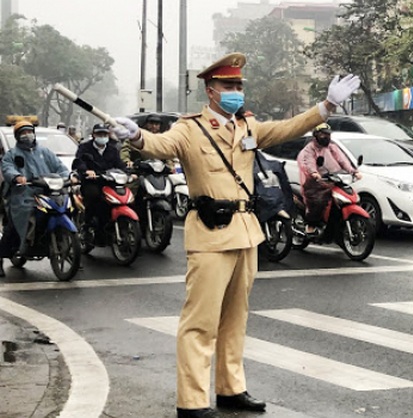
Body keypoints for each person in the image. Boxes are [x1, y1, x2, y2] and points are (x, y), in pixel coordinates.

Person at [110, 52, 360, 418]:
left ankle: (231, 388)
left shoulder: (247, 126)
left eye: (240, 85)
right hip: (211, 235)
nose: (236, 91)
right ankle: (192, 402)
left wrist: (326, 106)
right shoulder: (190, 128)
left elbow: (289, 127)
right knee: (200, 321)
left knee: (235, 319)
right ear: (211, 91)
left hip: (246, 232)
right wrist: (136, 136)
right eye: (229, 85)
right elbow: (161, 146)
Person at [0, 121, 71, 277]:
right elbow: (7, 168)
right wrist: (17, 177)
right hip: (23, 194)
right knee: (15, 224)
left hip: (47, 192)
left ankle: (69, 252)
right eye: (23, 133)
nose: (27, 135)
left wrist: (68, 177)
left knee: (67, 208)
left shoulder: (45, 152)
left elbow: (60, 167)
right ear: (18, 136)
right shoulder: (12, 154)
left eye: (29, 132)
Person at [297, 123, 361, 234]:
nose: (326, 137)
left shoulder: (332, 147)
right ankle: (311, 225)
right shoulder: (310, 149)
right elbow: (309, 162)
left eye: (328, 134)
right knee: (318, 201)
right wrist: (314, 173)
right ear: (316, 135)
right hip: (314, 181)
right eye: (323, 134)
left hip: (331, 179)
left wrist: (353, 172)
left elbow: (342, 160)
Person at [72, 123, 128, 231]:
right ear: (93, 135)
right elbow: (79, 161)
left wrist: (129, 173)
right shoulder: (85, 147)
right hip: (92, 181)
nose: (102, 137)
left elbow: (120, 164)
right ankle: (88, 224)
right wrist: (86, 171)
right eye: (99, 134)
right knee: (94, 197)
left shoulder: (113, 149)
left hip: (110, 182)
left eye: (104, 134)